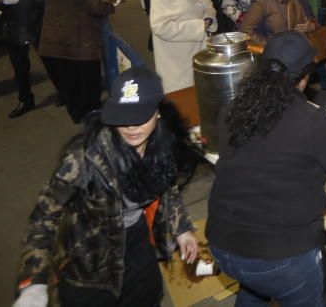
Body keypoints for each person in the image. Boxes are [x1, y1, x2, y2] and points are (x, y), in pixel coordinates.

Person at [13, 67, 199, 307]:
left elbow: (167, 189)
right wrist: (34, 282)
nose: (131, 126)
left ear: (158, 113)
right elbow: (43, 218)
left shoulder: (164, 146)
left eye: (140, 115)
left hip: (138, 249)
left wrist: (181, 227)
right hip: (91, 264)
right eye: (123, 116)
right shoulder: (85, 158)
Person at [207, 33, 326, 307]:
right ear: (304, 78)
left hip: (223, 242)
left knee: (255, 288)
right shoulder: (311, 120)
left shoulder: (232, 109)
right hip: (279, 254)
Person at [37, 0, 115, 123]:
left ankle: (76, 113)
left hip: (55, 38)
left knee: (68, 80)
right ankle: (93, 112)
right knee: (89, 80)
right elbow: (96, 7)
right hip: (82, 39)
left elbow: (39, 0)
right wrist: (110, 6)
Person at [150, 0, 216, 94]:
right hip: (176, 59)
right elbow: (160, 27)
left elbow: (207, 5)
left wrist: (209, 19)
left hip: (198, 51)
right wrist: (198, 26)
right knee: (183, 100)